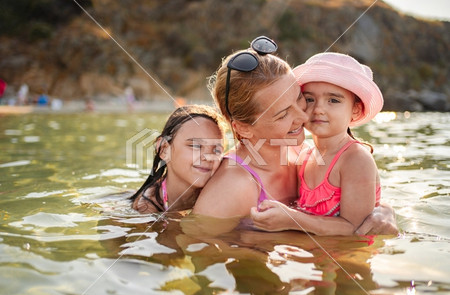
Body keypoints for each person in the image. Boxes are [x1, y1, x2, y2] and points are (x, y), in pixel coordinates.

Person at [192, 36, 397, 235]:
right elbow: (194, 247)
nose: (303, 115)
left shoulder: (302, 153)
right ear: (244, 128)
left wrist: (384, 210)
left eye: (299, 98)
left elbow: (350, 203)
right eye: (283, 114)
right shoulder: (233, 186)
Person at [253, 52, 383, 235]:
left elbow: (355, 230)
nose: (319, 109)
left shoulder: (355, 159)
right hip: (316, 257)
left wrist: (291, 219)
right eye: (309, 99)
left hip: (349, 260)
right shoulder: (305, 156)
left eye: (333, 100)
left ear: (355, 109)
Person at [130, 105, 226, 213]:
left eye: (217, 150)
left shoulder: (221, 192)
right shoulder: (147, 210)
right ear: (164, 149)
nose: (208, 157)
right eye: (195, 146)